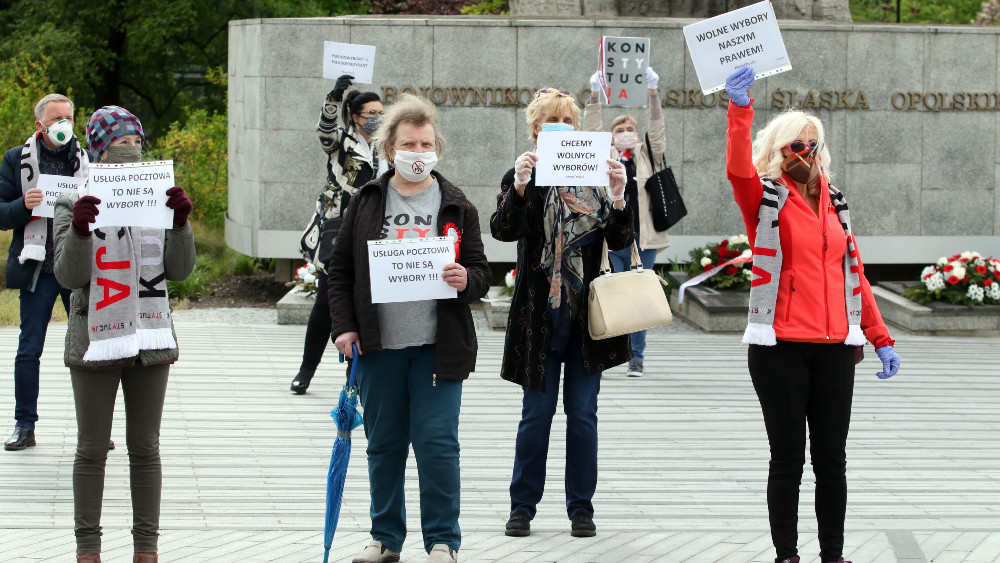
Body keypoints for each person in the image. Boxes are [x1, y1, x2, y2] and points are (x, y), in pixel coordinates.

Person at [724, 67, 901, 563]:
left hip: (836, 349)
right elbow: (737, 170)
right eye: (795, 144)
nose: (805, 152)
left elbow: (854, 274)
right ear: (778, 150)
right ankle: (787, 555)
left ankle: (833, 555)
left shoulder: (836, 204)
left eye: (812, 143)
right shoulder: (764, 198)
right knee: (787, 461)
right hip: (779, 346)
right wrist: (740, 110)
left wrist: (879, 336)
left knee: (832, 462)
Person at [327, 94, 490, 563]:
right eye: (407, 144)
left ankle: (442, 540)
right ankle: (385, 539)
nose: (417, 152)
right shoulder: (367, 200)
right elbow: (340, 273)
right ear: (389, 149)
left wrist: (467, 280)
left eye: (424, 143)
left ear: (435, 146)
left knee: (438, 446)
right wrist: (344, 328)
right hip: (380, 348)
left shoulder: (457, 203)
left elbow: (480, 271)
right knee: (384, 446)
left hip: (439, 349)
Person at [53, 105, 196, 563]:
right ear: (98, 149)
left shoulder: (157, 195)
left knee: (145, 447)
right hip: (94, 336)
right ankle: (88, 550)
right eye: (119, 144)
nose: (130, 151)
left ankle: (146, 549)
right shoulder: (71, 200)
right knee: (92, 448)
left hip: (150, 336)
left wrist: (180, 224)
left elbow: (179, 270)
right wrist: (79, 228)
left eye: (136, 142)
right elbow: (68, 276)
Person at [491, 88, 631, 539]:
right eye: (549, 121)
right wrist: (518, 186)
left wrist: (620, 196)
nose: (559, 127)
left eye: (566, 121)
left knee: (583, 415)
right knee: (536, 415)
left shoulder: (596, 174)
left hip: (587, 320)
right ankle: (522, 508)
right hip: (539, 319)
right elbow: (502, 229)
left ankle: (581, 510)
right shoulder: (526, 174)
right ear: (535, 129)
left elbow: (623, 240)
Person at [0, 94, 89, 451]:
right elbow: (2, 213)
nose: (64, 124)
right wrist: (24, 205)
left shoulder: (86, 161)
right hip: (38, 267)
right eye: (57, 118)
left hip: (77, 265)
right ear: (40, 125)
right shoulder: (14, 160)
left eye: (69, 117)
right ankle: (25, 425)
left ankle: (95, 426)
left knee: (88, 348)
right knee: (29, 348)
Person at [292, 74, 389, 394]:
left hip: (376, 230)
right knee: (326, 301)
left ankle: (354, 375)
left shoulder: (388, 147)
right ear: (356, 117)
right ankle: (307, 369)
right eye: (371, 114)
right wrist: (334, 98)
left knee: (364, 302)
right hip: (339, 228)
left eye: (381, 113)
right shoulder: (340, 143)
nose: (377, 118)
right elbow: (325, 130)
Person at [584, 67, 670, 377]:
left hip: (642, 239)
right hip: (609, 237)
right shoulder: (603, 153)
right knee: (613, 293)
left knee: (640, 297)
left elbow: (657, 130)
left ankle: (637, 357)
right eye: (620, 127)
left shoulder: (647, 155)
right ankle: (611, 353)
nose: (625, 131)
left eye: (630, 127)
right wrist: (594, 95)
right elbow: (592, 131)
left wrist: (653, 93)